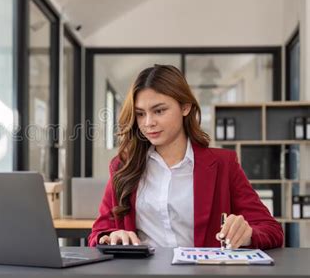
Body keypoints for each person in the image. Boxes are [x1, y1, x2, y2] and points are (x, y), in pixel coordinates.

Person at [88, 64, 283, 250]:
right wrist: (109, 237)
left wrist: (247, 235)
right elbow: (99, 233)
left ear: (185, 107)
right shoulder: (124, 166)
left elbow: (272, 230)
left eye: (159, 111)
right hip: (143, 277)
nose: (148, 123)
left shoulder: (224, 164)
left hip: (203, 277)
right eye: (140, 114)